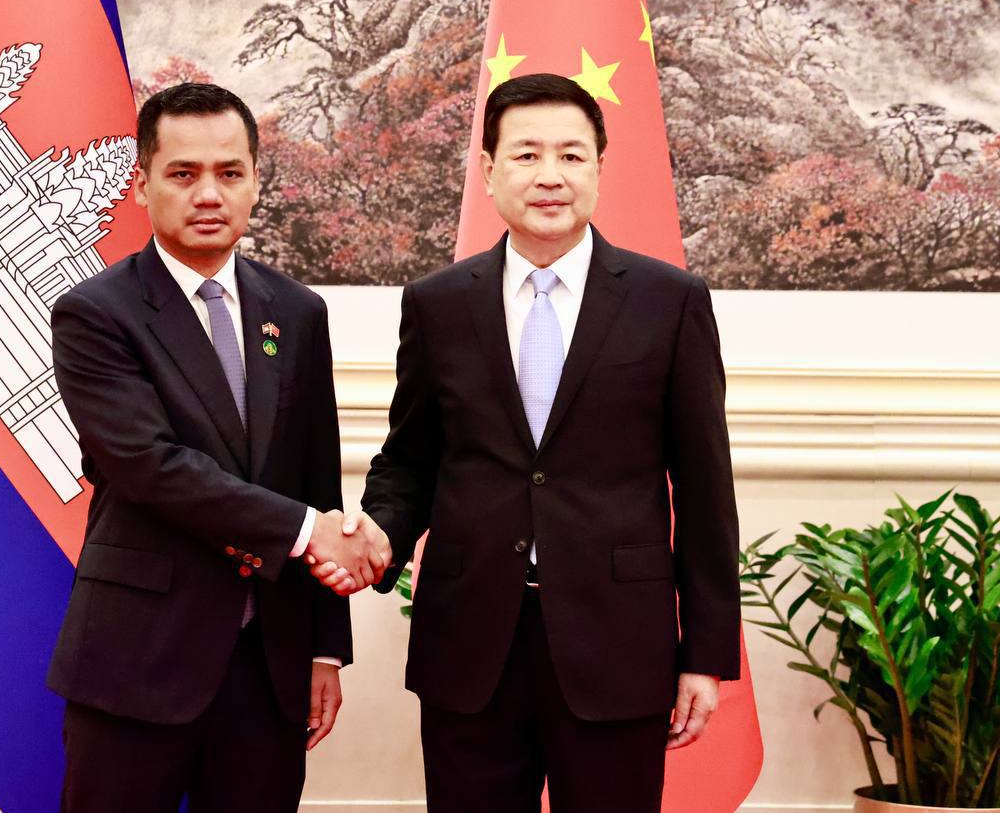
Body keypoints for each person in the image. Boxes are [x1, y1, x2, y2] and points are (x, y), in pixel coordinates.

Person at [313, 73, 741, 812]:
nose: (550, 175)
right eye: (527, 155)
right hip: (472, 640)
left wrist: (704, 654)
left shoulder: (669, 301)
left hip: (617, 640)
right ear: (488, 170)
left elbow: (705, 489)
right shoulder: (438, 303)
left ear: (599, 169)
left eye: (571, 156)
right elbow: (412, 459)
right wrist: (379, 533)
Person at [46, 82, 391, 813]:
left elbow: (315, 477)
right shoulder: (95, 314)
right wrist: (309, 532)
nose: (209, 193)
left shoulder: (297, 311)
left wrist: (324, 648)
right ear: (142, 183)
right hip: (138, 658)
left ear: (256, 181)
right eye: (183, 173)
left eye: (230, 172)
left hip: (269, 665)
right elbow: (152, 467)